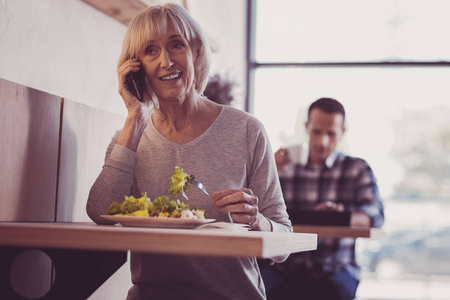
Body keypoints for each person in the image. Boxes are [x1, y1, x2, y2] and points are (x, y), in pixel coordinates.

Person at [86, 3, 292, 300]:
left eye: (176, 45)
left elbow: (284, 241)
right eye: (150, 51)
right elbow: (100, 212)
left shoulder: (247, 130)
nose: (166, 61)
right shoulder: (128, 139)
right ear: (136, 67)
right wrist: (134, 117)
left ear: (195, 51)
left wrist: (256, 220)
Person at [262, 98, 384, 300]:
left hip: (336, 269)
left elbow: (375, 215)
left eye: (331, 134)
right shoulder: (282, 166)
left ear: (343, 132)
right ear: (306, 127)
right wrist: (269, 171)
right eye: (317, 132)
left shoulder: (357, 169)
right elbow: (257, 209)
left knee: (334, 291)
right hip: (285, 267)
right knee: (257, 289)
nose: (322, 141)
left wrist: (342, 217)